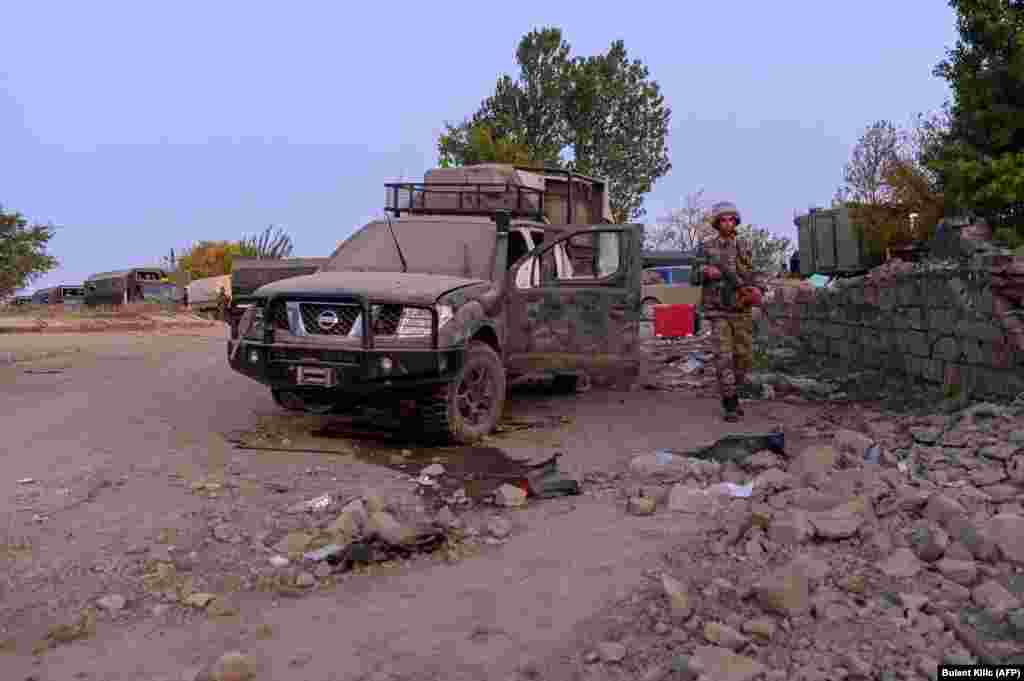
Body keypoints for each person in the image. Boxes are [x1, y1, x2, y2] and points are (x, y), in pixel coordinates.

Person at [689, 201, 762, 422]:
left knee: (744, 358)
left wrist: (757, 290)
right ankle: (729, 403)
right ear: (717, 223)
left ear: (736, 222)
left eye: (731, 219)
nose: (728, 223)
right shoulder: (706, 247)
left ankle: (736, 395)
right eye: (723, 219)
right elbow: (693, 276)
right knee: (724, 357)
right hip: (718, 311)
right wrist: (705, 272)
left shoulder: (744, 245)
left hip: (741, 309)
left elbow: (753, 273)